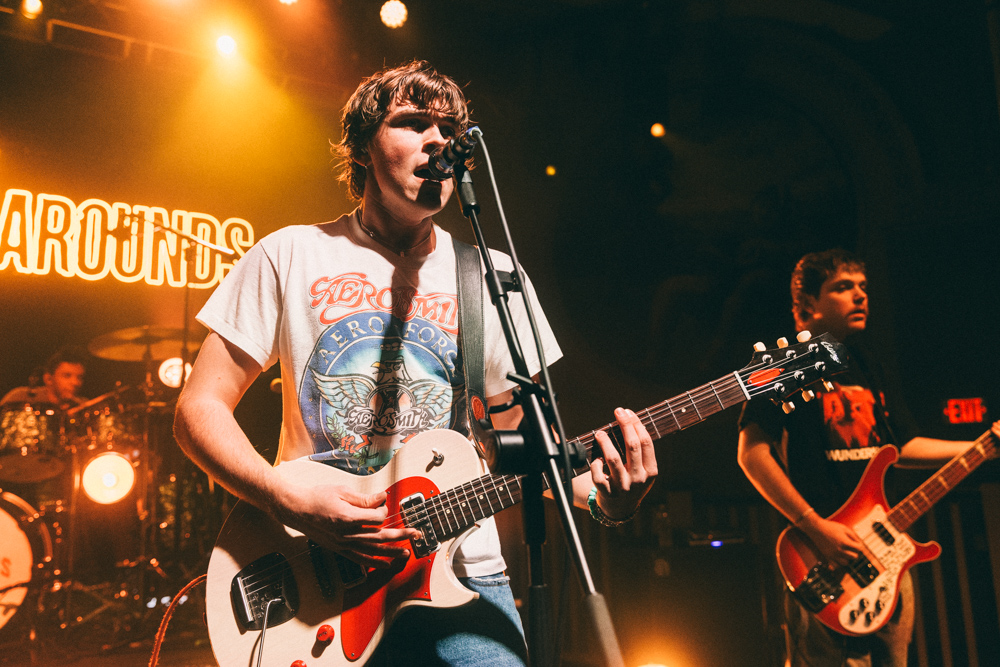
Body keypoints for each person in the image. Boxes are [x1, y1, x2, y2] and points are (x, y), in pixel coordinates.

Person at [173, 60, 657, 665]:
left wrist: (610, 500)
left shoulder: (494, 278)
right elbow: (198, 408)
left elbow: (525, 444)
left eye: (449, 130)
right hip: (320, 570)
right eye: (412, 123)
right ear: (361, 148)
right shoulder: (289, 253)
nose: (437, 141)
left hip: (463, 573)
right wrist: (281, 497)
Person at [737, 248, 1000, 667]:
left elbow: (901, 447)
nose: (860, 296)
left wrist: (983, 446)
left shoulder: (867, 363)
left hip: (887, 550)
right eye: (843, 287)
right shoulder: (783, 366)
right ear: (806, 306)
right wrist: (815, 526)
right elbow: (751, 454)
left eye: (862, 287)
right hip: (822, 556)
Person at [1, 346, 87, 409]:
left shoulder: (83, 406)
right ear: (48, 379)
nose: (75, 382)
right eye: (67, 376)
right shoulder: (20, 397)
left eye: (80, 377)